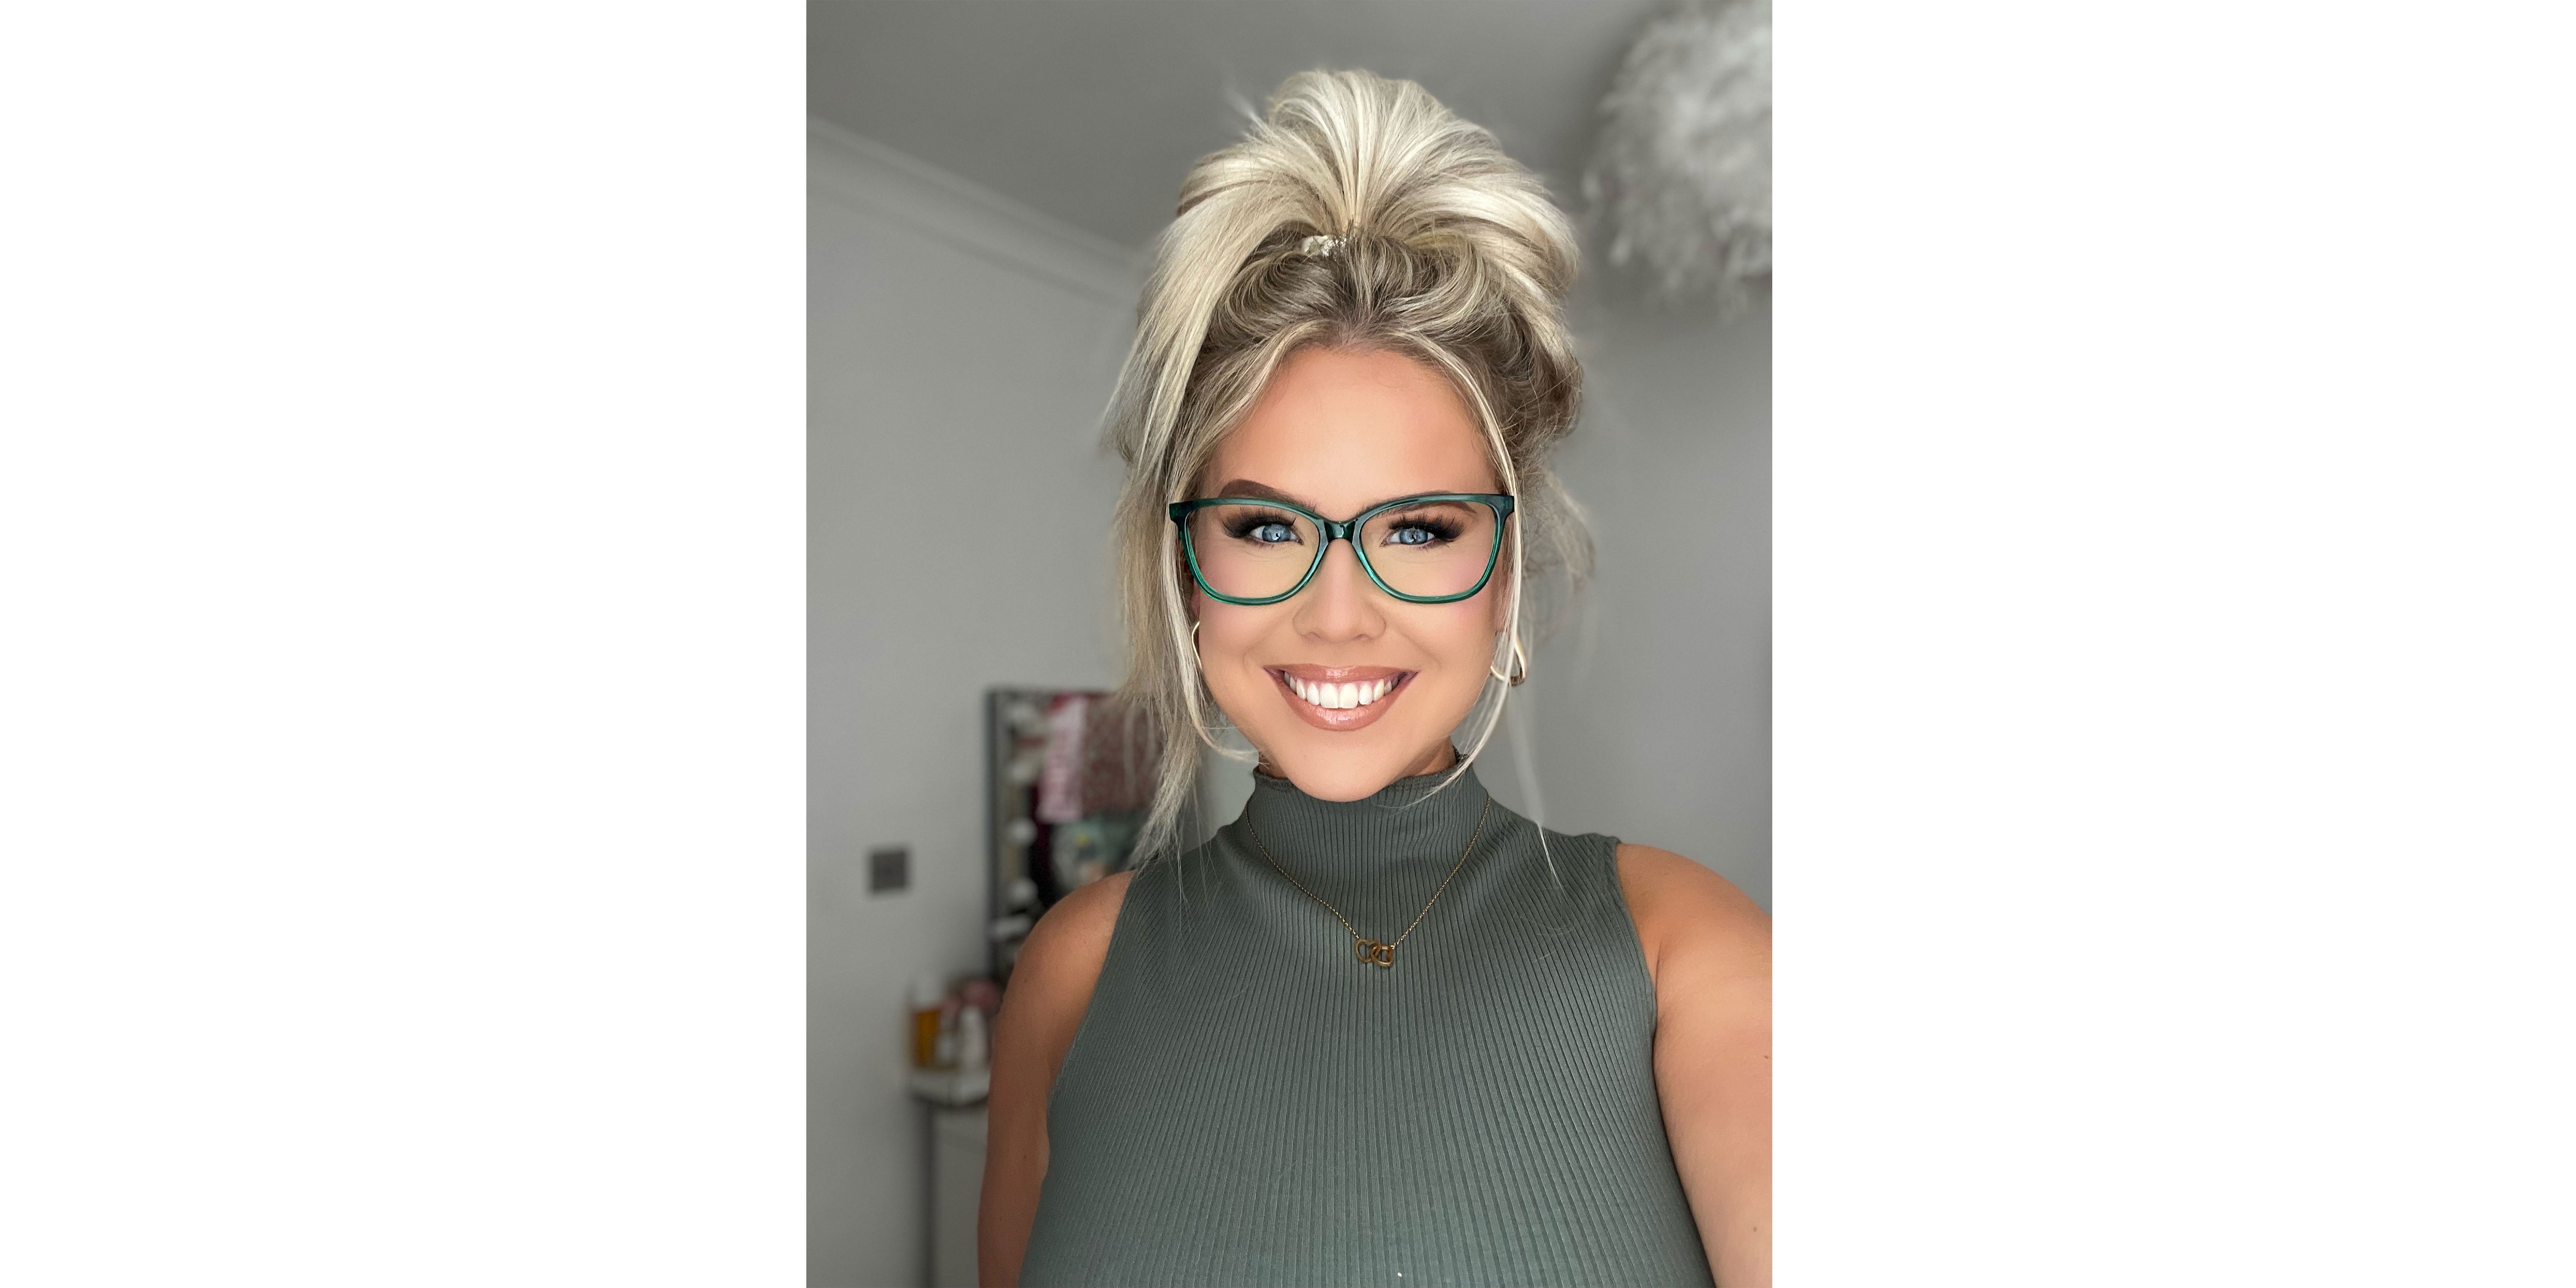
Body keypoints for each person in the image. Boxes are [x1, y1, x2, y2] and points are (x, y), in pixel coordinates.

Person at [980, 70, 1770, 1287]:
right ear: (1188, 571)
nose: (1338, 616)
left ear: (1504, 571)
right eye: (1265, 527)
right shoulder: (1072, 973)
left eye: (1417, 530)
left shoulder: (1688, 954)